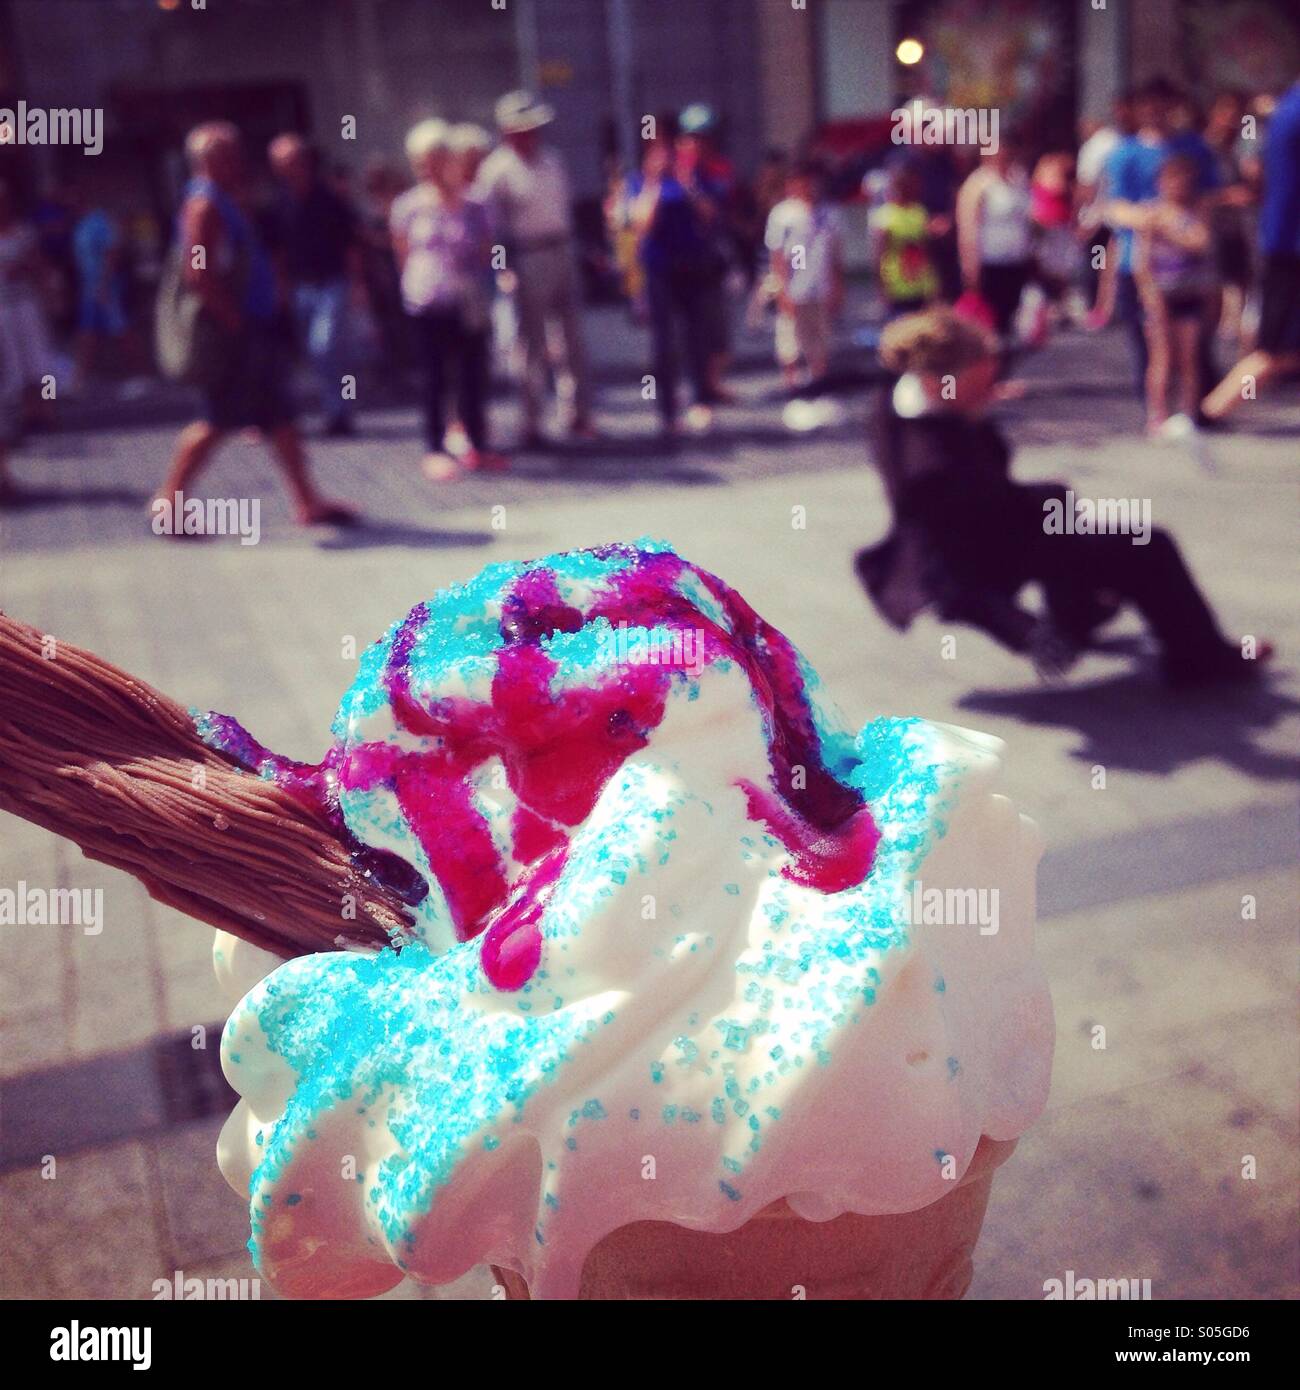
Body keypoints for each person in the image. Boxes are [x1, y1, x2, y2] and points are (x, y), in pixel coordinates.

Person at [854, 307, 1268, 687]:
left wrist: (973, 407)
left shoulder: (902, 395)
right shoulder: (932, 468)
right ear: (935, 384)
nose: (991, 388)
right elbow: (952, 581)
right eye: (981, 382)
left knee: (1061, 505)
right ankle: (1197, 660)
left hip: (998, 524)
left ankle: (1082, 611)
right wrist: (1025, 632)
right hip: (974, 561)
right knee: (1149, 546)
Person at [153, 123, 353, 529]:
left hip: (252, 329)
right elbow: (199, 273)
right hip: (237, 334)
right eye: (229, 154)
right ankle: (168, 505)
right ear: (209, 160)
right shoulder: (204, 205)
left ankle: (307, 501)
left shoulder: (224, 200)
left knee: (280, 416)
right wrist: (235, 323)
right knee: (217, 418)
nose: (239, 161)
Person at [474, 92, 594, 445]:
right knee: (532, 346)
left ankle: (577, 414)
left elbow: (564, 209)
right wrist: (502, 270)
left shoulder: (552, 160)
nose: (532, 135)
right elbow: (488, 228)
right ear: (508, 132)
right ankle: (531, 421)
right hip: (526, 258)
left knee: (572, 340)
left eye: (535, 128)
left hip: (561, 250)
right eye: (524, 129)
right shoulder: (495, 171)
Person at [390, 117, 504, 480]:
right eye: (424, 161)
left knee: (473, 374)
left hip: (468, 299)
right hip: (427, 302)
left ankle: (477, 444)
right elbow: (402, 255)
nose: (432, 168)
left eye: (440, 158)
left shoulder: (476, 203)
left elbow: (488, 250)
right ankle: (435, 449)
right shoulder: (407, 206)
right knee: (435, 377)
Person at [1103, 78, 1221, 405]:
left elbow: (1211, 197)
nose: (1155, 111)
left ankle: (1197, 411)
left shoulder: (1195, 148)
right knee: (1152, 348)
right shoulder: (1123, 153)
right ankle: (1158, 414)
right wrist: (1158, 220)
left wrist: (1186, 228)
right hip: (1140, 263)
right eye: (1147, 104)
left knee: (1195, 346)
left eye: (1162, 103)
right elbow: (1114, 207)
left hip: (1191, 268)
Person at [1203, 77, 1300, 421]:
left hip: (1264, 235)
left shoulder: (1273, 117)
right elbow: (1251, 170)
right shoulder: (1253, 129)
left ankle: (1206, 412)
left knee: (1244, 304)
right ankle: (1204, 414)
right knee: (1257, 329)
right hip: (1263, 239)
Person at [266, 133, 365, 437]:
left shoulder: (331, 199)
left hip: (332, 283)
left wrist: (358, 285)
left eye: (293, 160)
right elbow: (276, 250)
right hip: (300, 287)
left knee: (324, 347)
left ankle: (341, 410)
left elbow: (351, 244)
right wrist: (280, 287)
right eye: (281, 162)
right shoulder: (279, 203)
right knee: (316, 353)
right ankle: (335, 410)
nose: (288, 167)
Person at [629, 137, 719, 437]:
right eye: (658, 157)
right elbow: (642, 224)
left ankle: (701, 401)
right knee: (664, 343)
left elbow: (708, 215)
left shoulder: (691, 181)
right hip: (660, 272)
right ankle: (668, 411)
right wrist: (654, 184)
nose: (665, 162)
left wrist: (688, 184)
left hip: (693, 268)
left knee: (698, 337)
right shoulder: (639, 184)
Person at [1135, 154, 1217, 438]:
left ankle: (1188, 415)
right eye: (1172, 179)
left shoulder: (1196, 211)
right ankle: (1157, 417)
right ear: (1161, 183)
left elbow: (1201, 243)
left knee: (1189, 357)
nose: (1178, 185)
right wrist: (1149, 294)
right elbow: (1141, 263)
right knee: (1162, 357)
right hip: (1161, 293)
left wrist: (1169, 230)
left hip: (1190, 293)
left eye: (1183, 179)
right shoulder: (1150, 213)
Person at [763, 159, 844, 389]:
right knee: (790, 338)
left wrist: (838, 285)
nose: (807, 187)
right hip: (793, 284)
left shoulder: (828, 213)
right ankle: (792, 385)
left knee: (818, 336)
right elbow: (777, 254)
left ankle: (818, 381)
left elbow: (835, 253)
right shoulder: (782, 215)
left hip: (820, 283)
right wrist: (781, 289)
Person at [955, 135, 1034, 342]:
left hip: (1016, 260)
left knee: (1011, 321)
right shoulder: (977, 184)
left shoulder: (1018, 178)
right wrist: (970, 267)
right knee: (990, 325)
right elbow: (968, 228)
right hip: (990, 262)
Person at [0, 181, 56, 428]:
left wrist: (24, 268)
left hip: (25, 301)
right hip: (3, 304)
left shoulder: (23, 232)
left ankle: (48, 410)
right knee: (14, 361)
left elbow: (39, 265)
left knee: (39, 358)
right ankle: (27, 413)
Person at [868, 161, 940, 321]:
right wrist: (881, 288)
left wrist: (932, 283)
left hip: (920, 284)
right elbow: (878, 256)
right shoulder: (884, 216)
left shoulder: (919, 212)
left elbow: (927, 251)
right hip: (896, 285)